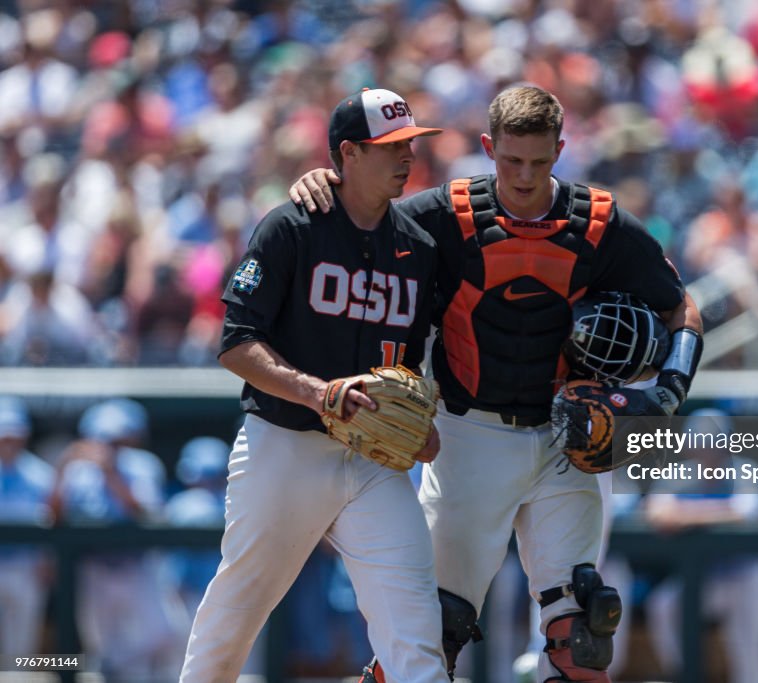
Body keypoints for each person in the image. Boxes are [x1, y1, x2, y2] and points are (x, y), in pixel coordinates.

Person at [289, 84, 703, 683]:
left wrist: (665, 394)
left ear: (560, 149)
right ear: (489, 147)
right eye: (512, 160)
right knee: (429, 633)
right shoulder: (442, 215)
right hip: (469, 436)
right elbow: (361, 233)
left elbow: (681, 308)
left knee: (582, 630)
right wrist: (324, 185)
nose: (525, 175)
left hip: (570, 438)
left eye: (539, 161)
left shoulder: (600, 223)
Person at [179, 88, 450, 683]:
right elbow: (235, 343)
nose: (406, 157)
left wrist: (422, 419)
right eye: (391, 147)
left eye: (410, 144)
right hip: (286, 443)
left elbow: (416, 359)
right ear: (348, 154)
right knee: (235, 617)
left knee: (414, 629)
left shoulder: (420, 245)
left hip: (374, 457)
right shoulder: (292, 226)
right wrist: (314, 392)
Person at [51, 398, 187, 680]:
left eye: (117, 439)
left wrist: (110, 472)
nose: (109, 445)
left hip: (138, 565)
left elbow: (145, 513)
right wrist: (62, 466)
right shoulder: (77, 469)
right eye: (105, 438)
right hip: (93, 567)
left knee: (160, 635)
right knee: (100, 645)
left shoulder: (142, 465)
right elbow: (54, 515)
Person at [644, 409, 758, 683]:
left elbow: (743, 513)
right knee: (663, 606)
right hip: (705, 578)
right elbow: (656, 513)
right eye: (700, 442)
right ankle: (683, 675)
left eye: (712, 442)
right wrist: (709, 513)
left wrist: (687, 515)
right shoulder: (681, 472)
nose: (705, 449)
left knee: (750, 654)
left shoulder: (745, 469)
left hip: (747, 575)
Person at [0, 396, 54, 655]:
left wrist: (47, 560)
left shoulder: (39, 474)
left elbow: (51, 522)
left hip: (25, 565)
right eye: (4, 436)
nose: (9, 442)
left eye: (14, 436)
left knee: (21, 645)